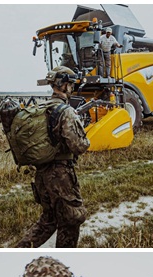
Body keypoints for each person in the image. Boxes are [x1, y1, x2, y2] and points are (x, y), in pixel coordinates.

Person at [16, 66, 91, 248]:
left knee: (48, 221)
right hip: (61, 176)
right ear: (64, 85)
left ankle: (20, 249)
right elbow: (79, 146)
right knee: (70, 221)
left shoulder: (42, 108)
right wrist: (85, 138)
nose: (72, 88)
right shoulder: (65, 112)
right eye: (71, 84)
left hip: (42, 175)